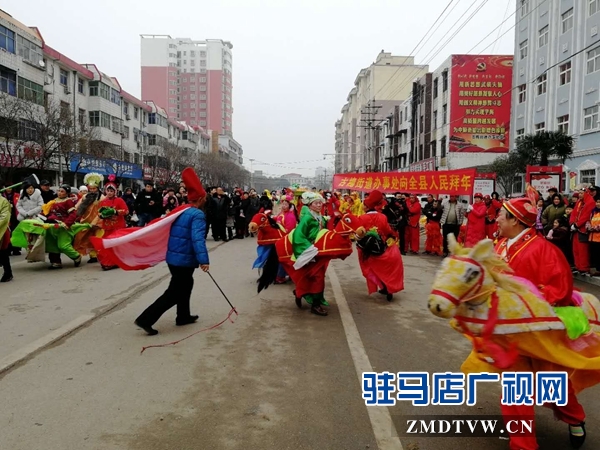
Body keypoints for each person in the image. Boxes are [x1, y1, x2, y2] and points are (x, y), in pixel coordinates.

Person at [493, 190, 588, 450]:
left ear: (515, 220)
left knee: (551, 382)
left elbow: (560, 290)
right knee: (515, 390)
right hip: (510, 332)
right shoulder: (500, 245)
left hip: (539, 330)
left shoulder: (544, 250)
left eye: (502, 215)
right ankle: (523, 445)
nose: (497, 219)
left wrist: (525, 302)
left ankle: (574, 417)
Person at [134, 167, 209, 335]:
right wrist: (204, 260)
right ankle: (145, 319)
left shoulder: (181, 210)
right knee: (174, 292)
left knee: (186, 285)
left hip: (174, 258)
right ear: (201, 198)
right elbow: (197, 239)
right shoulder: (197, 215)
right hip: (183, 260)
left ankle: (183, 316)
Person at [356, 190, 404, 301]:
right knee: (385, 269)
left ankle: (382, 286)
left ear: (367, 207)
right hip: (381, 247)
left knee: (372, 268)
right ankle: (387, 287)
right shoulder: (382, 217)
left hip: (368, 249)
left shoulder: (362, 218)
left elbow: (358, 233)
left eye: (364, 205)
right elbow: (388, 231)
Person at [291, 192, 330, 316]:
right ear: (310, 205)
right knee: (318, 278)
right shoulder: (307, 218)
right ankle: (315, 305)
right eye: (316, 203)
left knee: (313, 276)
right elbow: (298, 235)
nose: (319, 205)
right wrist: (310, 250)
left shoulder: (320, 217)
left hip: (319, 252)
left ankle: (300, 292)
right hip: (310, 252)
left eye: (320, 203)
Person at [44, 185, 83, 269]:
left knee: (63, 245)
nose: (59, 193)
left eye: (62, 191)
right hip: (52, 225)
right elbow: (48, 212)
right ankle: (56, 262)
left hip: (63, 226)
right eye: (59, 191)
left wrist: (67, 223)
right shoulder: (54, 201)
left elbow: (73, 214)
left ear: (67, 193)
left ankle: (76, 257)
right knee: (52, 244)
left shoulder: (68, 201)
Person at [96, 179, 129, 270]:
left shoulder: (119, 200)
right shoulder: (103, 202)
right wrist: (102, 215)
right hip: (107, 227)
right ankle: (107, 261)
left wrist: (115, 211)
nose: (109, 193)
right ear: (105, 191)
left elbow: (126, 211)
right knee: (106, 245)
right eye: (108, 191)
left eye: (111, 191)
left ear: (115, 191)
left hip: (117, 227)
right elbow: (98, 212)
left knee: (116, 246)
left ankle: (114, 262)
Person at [73, 172, 105, 263]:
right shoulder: (84, 197)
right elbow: (78, 207)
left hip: (97, 221)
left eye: (94, 188)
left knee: (96, 239)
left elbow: (102, 210)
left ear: (97, 188)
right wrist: (73, 210)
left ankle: (94, 255)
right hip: (85, 220)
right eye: (90, 189)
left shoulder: (102, 198)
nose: (92, 190)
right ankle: (79, 255)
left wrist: (96, 221)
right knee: (82, 238)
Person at [570, 186, 597, 275]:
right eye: (579, 193)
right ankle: (578, 266)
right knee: (576, 249)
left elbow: (586, 215)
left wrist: (577, 225)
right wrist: (572, 223)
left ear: (586, 193)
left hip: (582, 229)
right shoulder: (579, 202)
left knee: (583, 249)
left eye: (581, 193)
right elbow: (574, 213)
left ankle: (584, 267)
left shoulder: (590, 202)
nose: (579, 195)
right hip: (576, 229)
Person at [274, 194, 298, 284]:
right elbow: (277, 220)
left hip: (286, 241)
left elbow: (289, 230)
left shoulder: (290, 216)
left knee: (284, 259)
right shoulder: (281, 213)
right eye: (282, 204)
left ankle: (281, 276)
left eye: (286, 204)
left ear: (290, 206)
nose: (283, 206)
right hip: (280, 240)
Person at [2, 185, 20, 255]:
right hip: (6, 217)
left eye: (10, 188)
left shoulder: (17, 195)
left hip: (15, 217)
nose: (9, 189)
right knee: (8, 234)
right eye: (7, 188)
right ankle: (8, 249)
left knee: (15, 233)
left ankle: (16, 249)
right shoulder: (2, 196)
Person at [0, 195, 13, 282]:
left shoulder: (3, 201)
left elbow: (4, 218)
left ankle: (8, 273)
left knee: (2, 252)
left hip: (2, 230)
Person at [588, 197, 600, 276]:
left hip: (599, 236)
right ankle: (596, 269)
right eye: (597, 202)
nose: (598, 203)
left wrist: (596, 228)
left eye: (599, 202)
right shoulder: (593, 212)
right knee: (594, 254)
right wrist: (588, 227)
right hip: (592, 237)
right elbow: (588, 221)